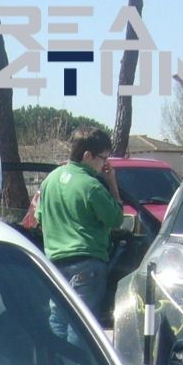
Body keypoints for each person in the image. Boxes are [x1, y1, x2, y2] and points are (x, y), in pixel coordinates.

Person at [36, 126, 123, 340]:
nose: (104, 164)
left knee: (57, 320)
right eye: (103, 158)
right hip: (87, 264)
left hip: (54, 263)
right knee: (82, 327)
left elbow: (38, 218)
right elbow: (116, 219)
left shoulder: (50, 181)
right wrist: (112, 183)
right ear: (87, 156)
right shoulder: (91, 186)